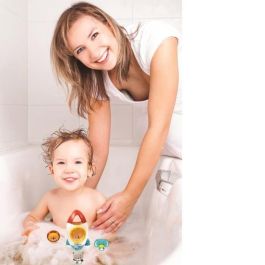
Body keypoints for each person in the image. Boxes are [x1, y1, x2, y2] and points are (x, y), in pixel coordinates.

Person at [50, 1, 182, 233]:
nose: (94, 52)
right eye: (80, 50)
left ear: (108, 23)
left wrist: (129, 198)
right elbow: (98, 151)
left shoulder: (155, 39)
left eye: (94, 35)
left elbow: (159, 127)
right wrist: (79, 201)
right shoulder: (94, 80)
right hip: (174, 143)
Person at [22, 128, 106, 236]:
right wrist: (29, 225)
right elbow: (33, 217)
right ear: (52, 170)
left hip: (87, 245)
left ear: (90, 170)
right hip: (59, 245)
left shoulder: (97, 199)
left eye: (78, 162)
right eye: (61, 163)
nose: (69, 170)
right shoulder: (50, 197)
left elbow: (107, 232)